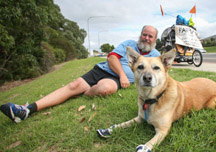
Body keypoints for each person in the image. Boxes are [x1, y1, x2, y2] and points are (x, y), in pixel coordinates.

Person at [0, 25, 160, 123]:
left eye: (149, 36)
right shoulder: (128, 44)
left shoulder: (155, 55)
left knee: (105, 89)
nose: (146, 38)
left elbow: (161, 75)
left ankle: (85, 92)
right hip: (104, 70)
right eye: (144, 34)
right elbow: (112, 57)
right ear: (140, 35)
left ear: (154, 39)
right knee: (73, 85)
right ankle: (27, 109)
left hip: (113, 81)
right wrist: (123, 75)